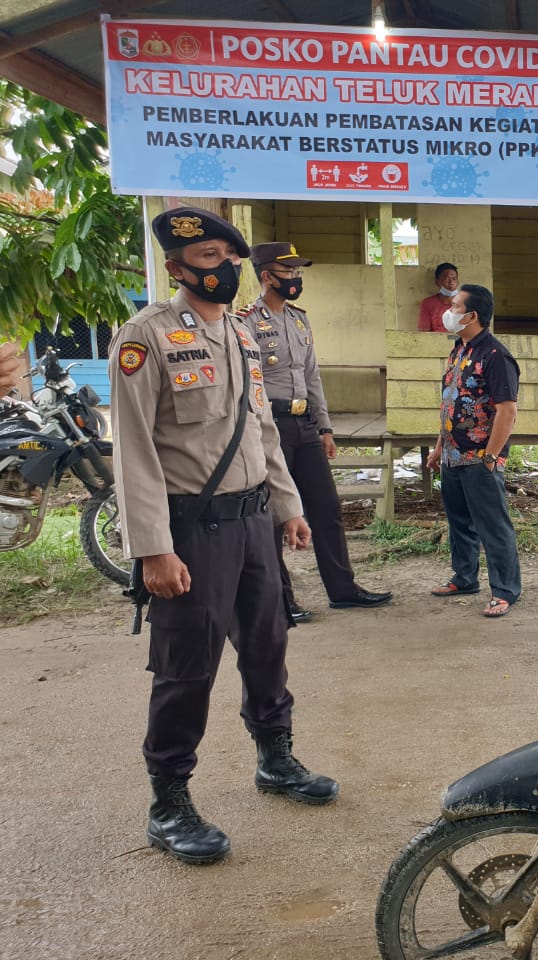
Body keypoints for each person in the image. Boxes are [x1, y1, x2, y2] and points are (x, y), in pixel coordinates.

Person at [110, 207, 339, 867]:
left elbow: (260, 427)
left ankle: (275, 759)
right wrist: (153, 547)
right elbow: (133, 452)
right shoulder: (146, 338)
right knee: (187, 666)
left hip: (251, 523)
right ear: (178, 268)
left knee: (268, 645)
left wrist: (287, 506)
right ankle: (168, 800)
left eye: (229, 257)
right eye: (209, 259)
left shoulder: (241, 336)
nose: (224, 269)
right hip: (191, 531)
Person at [244, 242, 391, 622]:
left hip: (304, 425)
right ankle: (281, 599)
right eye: (288, 271)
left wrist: (325, 426)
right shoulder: (244, 322)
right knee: (275, 513)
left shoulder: (298, 320)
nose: (295, 278)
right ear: (266, 276)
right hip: (268, 428)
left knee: (326, 508)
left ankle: (343, 590)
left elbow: (312, 377)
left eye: (297, 272)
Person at [425, 283, 522, 617]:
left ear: (472, 315)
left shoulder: (495, 356)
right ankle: (464, 577)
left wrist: (491, 457)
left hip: (479, 459)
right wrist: (439, 447)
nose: (448, 312)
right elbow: (451, 403)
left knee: (493, 527)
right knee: (460, 523)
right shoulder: (459, 350)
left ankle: (506, 590)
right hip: (452, 457)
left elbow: (507, 411)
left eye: (455, 306)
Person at [418, 262, 460, 332]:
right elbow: (424, 333)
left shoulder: (467, 302)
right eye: (446, 278)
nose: (451, 282)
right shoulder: (428, 303)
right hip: (436, 342)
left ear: (458, 282)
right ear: (437, 282)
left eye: (454, 278)